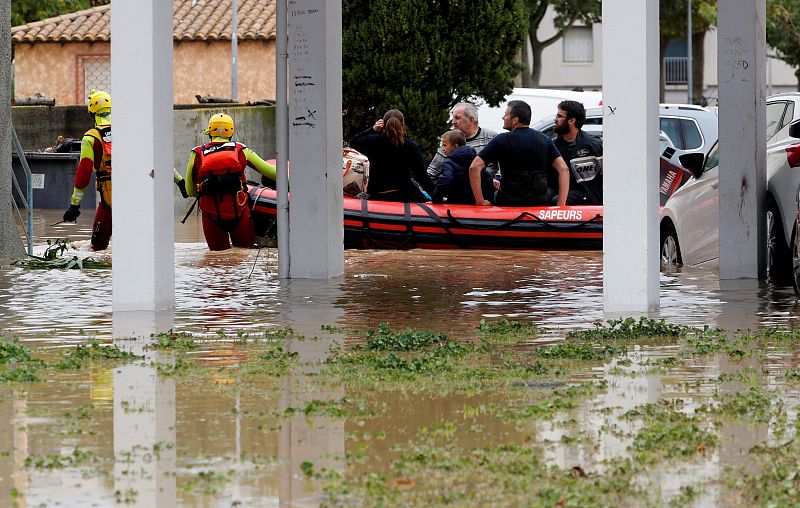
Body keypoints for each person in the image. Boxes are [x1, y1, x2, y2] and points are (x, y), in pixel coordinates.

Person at [62, 89, 190, 251]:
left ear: (91, 114)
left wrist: (74, 205)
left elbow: (83, 174)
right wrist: (180, 181)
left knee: (97, 247)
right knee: (139, 245)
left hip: (108, 201)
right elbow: (157, 161)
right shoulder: (130, 131)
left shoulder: (90, 138)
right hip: (134, 197)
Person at [184, 113, 277, 251]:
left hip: (211, 217)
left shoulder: (196, 153)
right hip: (239, 214)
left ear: (210, 132)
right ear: (231, 132)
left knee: (219, 259)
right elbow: (273, 173)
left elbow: (190, 191)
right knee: (244, 255)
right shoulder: (241, 150)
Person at [469, 100, 569, 207]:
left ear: (515, 120)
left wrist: (480, 201)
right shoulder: (544, 139)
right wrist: (561, 206)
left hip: (507, 202)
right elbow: (564, 169)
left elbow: (474, 167)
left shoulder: (501, 139)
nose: (503, 117)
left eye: (506, 115)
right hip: (539, 202)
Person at [349, 109, 433, 202]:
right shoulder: (411, 146)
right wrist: (437, 196)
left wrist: (373, 129)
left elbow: (353, 141)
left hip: (378, 195)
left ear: (383, 125)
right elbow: (422, 176)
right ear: (403, 125)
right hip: (405, 195)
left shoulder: (373, 142)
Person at [427, 102, 498, 184]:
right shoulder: (449, 140)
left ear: (471, 120)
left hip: (487, 189)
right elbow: (432, 172)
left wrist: (496, 183)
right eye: (453, 118)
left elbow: (503, 167)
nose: (453, 122)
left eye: (457, 118)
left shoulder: (491, 137)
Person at [549, 100, 603, 205]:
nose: (555, 120)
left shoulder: (593, 145)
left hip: (588, 198)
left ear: (572, 121)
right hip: (561, 193)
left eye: (559, 116)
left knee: (557, 200)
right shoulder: (554, 145)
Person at [431, 130, 492, 204]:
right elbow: (487, 178)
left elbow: (445, 180)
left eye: (444, 145)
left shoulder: (449, 161)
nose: (442, 148)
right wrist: (487, 198)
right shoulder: (475, 158)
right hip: (474, 201)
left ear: (455, 146)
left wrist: (436, 199)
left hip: (456, 202)